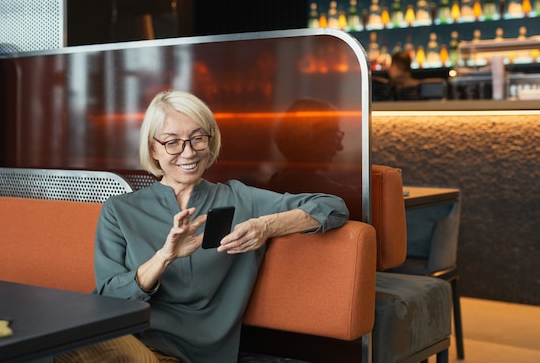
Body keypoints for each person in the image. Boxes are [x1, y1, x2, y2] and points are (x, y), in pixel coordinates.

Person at [55, 90, 348, 363]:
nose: (188, 152)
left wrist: (266, 226)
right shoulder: (119, 210)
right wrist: (164, 257)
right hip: (123, 338)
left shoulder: (239, 199)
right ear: (153, 149)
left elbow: (332, 208)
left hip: (188, 354)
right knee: (58, 338)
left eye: (198, 138)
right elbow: (107, 299)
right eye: (172, 142)